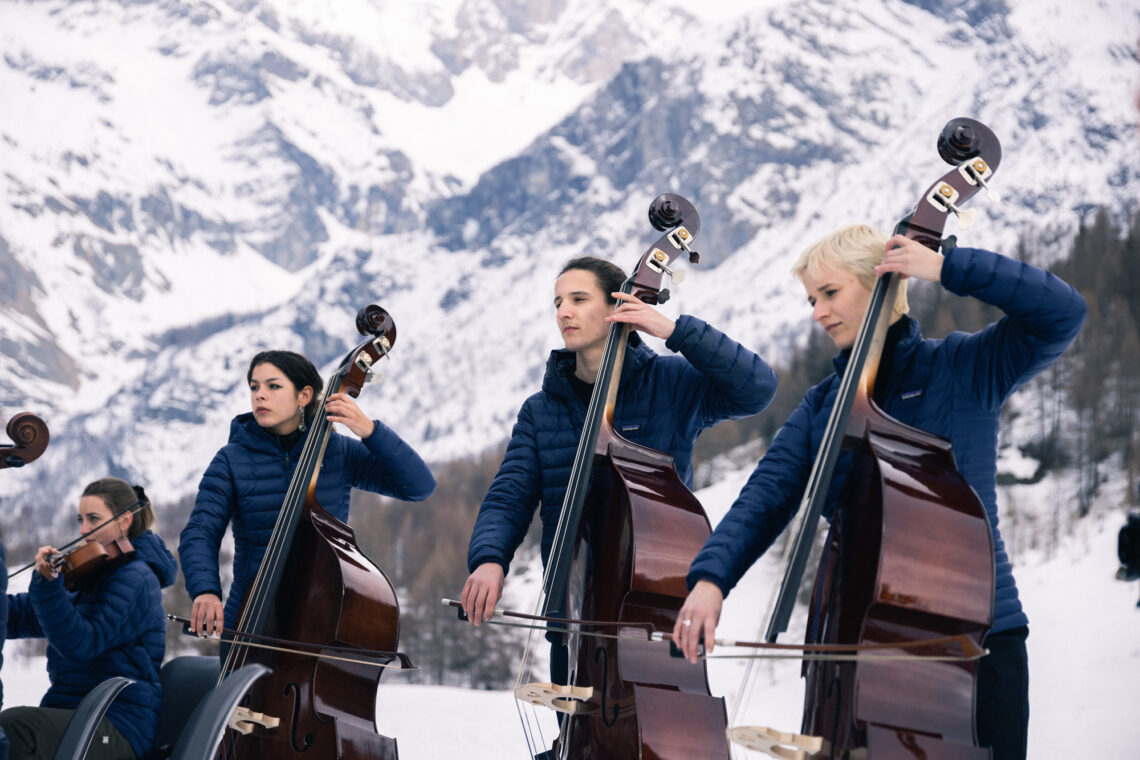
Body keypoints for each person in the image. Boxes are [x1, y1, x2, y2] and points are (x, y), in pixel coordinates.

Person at [673, 226, 1087, 760]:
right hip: (855, 645)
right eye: (810, 299)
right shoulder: (823, 405)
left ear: (884, 283)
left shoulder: (963, 368)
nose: (818, 312)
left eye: (830, 292)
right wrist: (711, 578)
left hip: (975, 641)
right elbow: (768, 491)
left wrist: (947, 267)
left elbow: (1062, 313)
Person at [461, 255, 779, 663]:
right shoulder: (540, 411)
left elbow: (756, 389)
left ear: (618, 307)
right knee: (573, 727)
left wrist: (676, 331)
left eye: (578, 298)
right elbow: (510, 496)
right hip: (572, 614)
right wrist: (490, 559)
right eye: (557, 302)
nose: (564, 312)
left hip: (656, 612)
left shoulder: (672, 383)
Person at [179, 349, 436, 638]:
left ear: (304, 396)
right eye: (254, 386)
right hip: (250, 620)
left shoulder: (337, 452)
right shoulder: (230, 460)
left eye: (273, 386)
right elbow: (201, 531)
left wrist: (370, 431)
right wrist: (206, 590)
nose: (259, 395)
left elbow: (419, 486)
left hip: (323, 619)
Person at [1, 478, 177, 760]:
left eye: (93, 518)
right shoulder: (93, 572)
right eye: (80, 519)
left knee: (15, 729)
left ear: (124, 520)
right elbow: (26, 614)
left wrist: (48, 585)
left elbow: (82, 643)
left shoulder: (137, 578)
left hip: (117, 724)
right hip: (75, 714)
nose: (83, 530)